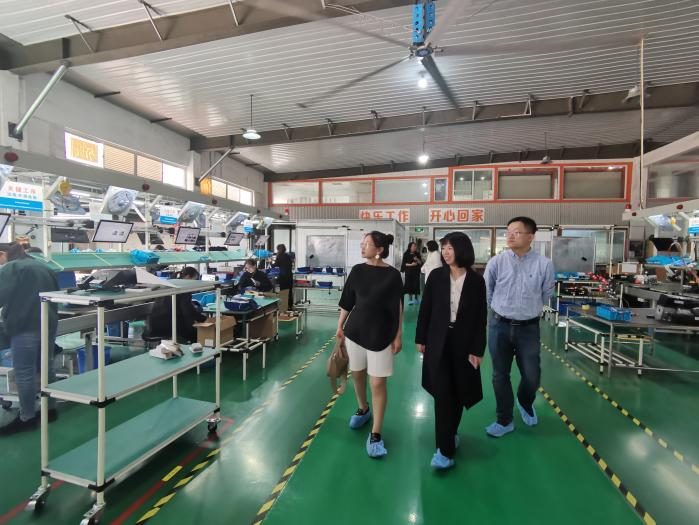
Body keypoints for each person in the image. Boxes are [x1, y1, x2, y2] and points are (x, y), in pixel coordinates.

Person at [415, 232, 487, 469]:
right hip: (438, 340)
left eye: (450, 248)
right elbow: (425, 309)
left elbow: (480, 318)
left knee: (459, 392)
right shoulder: (436, 276)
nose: (445, 252)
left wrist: (478, 349)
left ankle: (451, 433)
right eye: (443, 248)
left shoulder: (476, 281)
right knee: (443, 394)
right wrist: (421, 338)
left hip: (464, 342)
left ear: (462, 249)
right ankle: (443, 450)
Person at [484, 217, 555, 437]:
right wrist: (500, 310)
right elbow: (487, 291)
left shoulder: (544, 264)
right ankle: (504, 420)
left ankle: (525, 401)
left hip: (528, 328)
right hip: (499, 326)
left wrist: (527, 309)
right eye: (508, 232)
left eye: (516, 232)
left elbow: (547, 294)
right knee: (500, 375)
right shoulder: (497, 262)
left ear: (530, 236)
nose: (510, 236)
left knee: (532, 376)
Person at [337, 231, 403, 458]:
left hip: (382, 333)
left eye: (367, 244)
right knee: (357, 374)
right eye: (362, 244)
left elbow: (398, 307)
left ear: (380, 249)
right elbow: (348, 301)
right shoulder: (357, 271)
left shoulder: (393, 276)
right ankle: (363, 408)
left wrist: (398, 334)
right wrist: (340, 326)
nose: (362, 247)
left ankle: (376, 432)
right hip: (355, 331)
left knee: (377, 382)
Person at [0, 242, 59, 435]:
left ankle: (27, 417)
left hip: (24, 325)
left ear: (2, 254)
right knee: (46, 367)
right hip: (47, 323)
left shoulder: (11, 267)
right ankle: (50, 410)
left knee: (24, 372)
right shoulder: (43, 266)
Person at [145, 266, 207, 343]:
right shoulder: (183, 289)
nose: (195, 283)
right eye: (195, 279)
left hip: (155, 323)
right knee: (198, 334)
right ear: (188, 277)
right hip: (170, 325)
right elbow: (188, 311)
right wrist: (204, 319)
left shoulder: (168, 284)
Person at [272, 244, 294, 311]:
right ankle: (290, 306)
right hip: (289, 276)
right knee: (289, 291)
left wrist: (270, 262)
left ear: (278, 250)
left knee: (283, 292)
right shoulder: (288, 256)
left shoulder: (279, 256)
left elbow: (275, 265)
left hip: (283, 277)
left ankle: (284, 307)